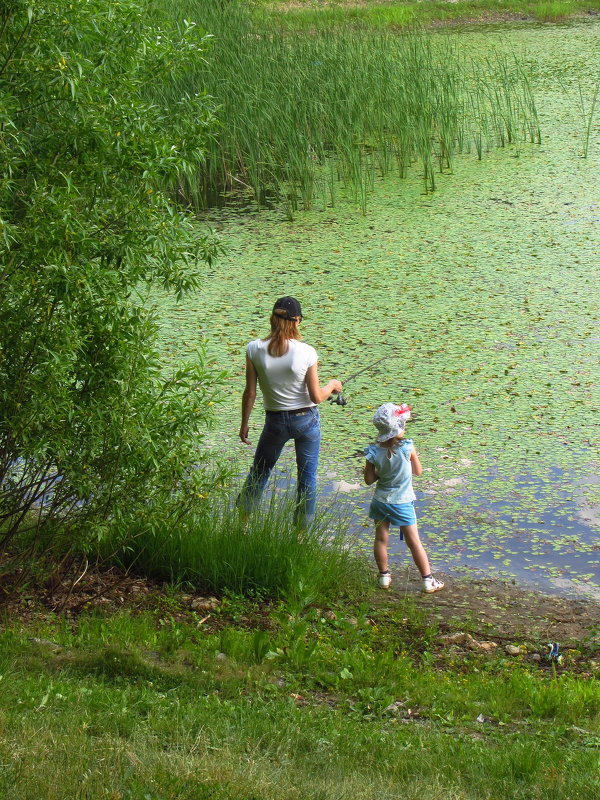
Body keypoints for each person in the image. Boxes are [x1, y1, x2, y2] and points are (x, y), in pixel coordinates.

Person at [238, 296, 342, 525]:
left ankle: (242, 522)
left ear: (272, 319)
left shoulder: (254, 348)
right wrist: (333, 385)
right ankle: (302, 533)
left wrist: (244, 423)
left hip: (274, 422)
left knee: (259, 472)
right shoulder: (306, 352)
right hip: (307, 421)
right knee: (307, 478)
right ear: (296, 321)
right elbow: (317, 396)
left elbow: (250, 393)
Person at [363, 402, 444, 593]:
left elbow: (369, 480)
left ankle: (383, 577)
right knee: (414, 542)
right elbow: (418, 471)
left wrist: (379, 471)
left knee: (381, 539)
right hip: (402, 502)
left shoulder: (372, 452)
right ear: (399, 426)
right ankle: (427, 580)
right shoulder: (408, 447)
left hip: (380, 502)